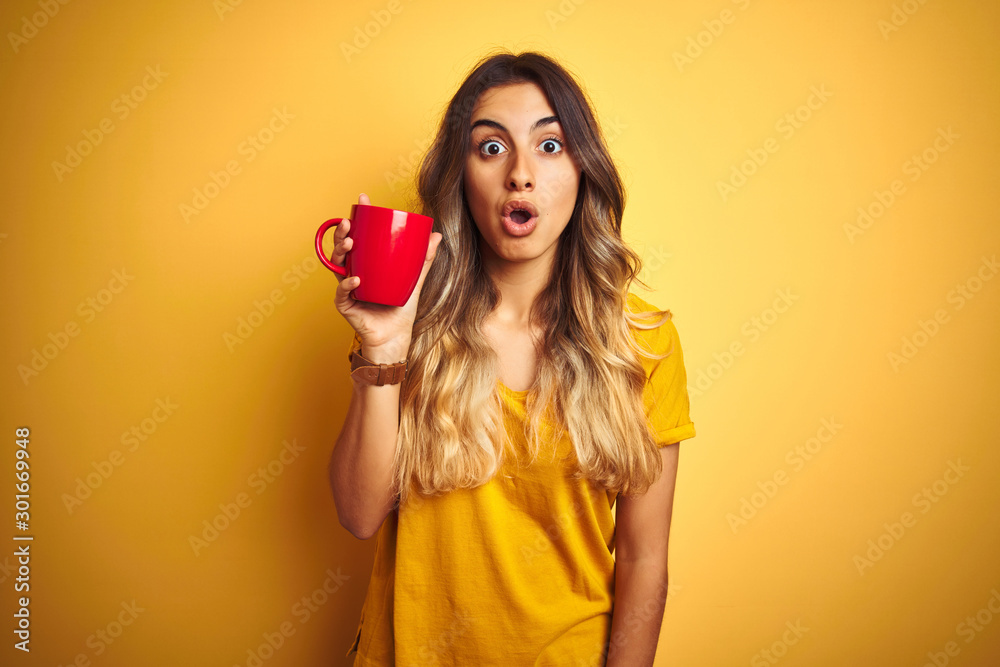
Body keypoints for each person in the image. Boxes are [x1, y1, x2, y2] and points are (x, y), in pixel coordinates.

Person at [326, 50, 696, 666]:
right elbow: (360, 514)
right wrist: (382, 348)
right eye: (491, 148)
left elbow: (642, 559)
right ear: (460, 176)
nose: (520, 174)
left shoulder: (643, 344)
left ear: (583, 171)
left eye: (549, 146)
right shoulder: (411, 323)